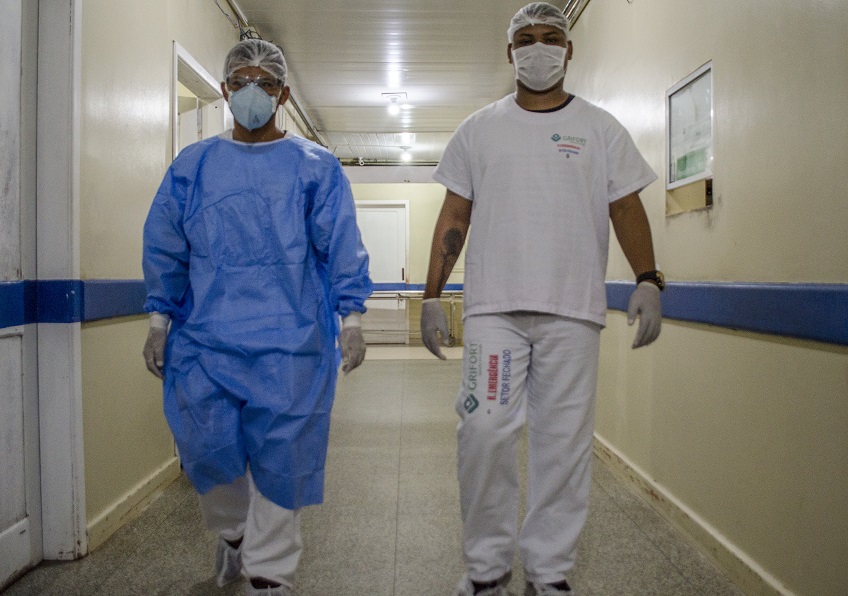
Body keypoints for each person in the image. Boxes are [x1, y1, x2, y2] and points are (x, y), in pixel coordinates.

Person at [420, 4, 664, 596]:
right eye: (526, 39)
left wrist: (649, 279)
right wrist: (431, 296)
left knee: (563, 446)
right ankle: (487, 567)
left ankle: (549, 571)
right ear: (510, 52)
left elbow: (626, 207)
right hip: (493, 311)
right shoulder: (479, 129)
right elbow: (455, 215)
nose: (538, 48)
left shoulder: (600, 128)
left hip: (572, 311)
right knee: (483, 433)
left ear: (568, 49)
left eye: (551, 37)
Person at [142, 39, 372, 596]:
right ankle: (235, 536)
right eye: (242, 82)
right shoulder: (193, 166)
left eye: (265, 83)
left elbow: (340, 244)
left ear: (283, 94)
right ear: (224, 91)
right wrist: (158, 320)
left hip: (291, 342)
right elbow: (166, 246)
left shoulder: (315, 168)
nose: (253, 92)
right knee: (208, 450)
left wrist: (351, 317)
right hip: (206, 341)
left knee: (282, 458)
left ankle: (270, 574)